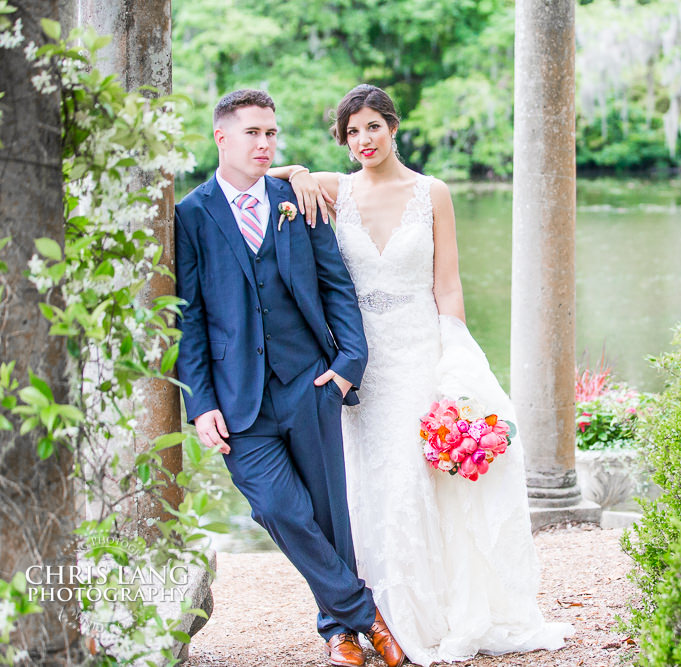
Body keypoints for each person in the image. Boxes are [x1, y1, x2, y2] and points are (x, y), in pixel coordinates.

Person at [270, 84, 573, 665]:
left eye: (372, 127)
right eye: (352, 132)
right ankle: (375, 614)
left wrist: (454, 364)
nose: (363, 140)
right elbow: (259, 180)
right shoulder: (337, 189)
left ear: (393, 127)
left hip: (419, 348)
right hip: (363, 360)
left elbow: (448, 285)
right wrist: (301, 169)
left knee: (418, 475)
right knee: (370, 481)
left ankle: (427, 614)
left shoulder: (432, 192)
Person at [175, 89, 405, 667]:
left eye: (271, 133)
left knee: (329, 513)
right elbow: (191, 317)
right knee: (280, 509)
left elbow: (337, 285)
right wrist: (201, 403)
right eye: (253, 132)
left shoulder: (297, 199)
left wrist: (347, 366)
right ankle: (364, 613)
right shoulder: (191, 215)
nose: (265, 143)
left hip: (310, 384)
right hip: (237, 401)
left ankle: (338, 632)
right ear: (221, 136)